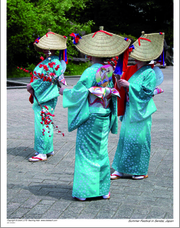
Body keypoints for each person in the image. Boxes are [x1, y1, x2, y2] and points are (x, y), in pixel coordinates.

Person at [59, 26, 131, 200]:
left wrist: (64, 91)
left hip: (90, 114)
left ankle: (85, 191)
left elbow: (79, 92)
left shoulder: (90, 71)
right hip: (104, 114)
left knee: (85, 152)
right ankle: (103, 190)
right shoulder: (110, 70)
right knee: (100, 151)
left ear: (89, 54)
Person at [111, 31, 165, 180]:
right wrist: (118, 80)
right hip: (130, 110)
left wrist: (130, 86)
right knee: (125, 139)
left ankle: (139, 169)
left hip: (142, 112)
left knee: (140, 140)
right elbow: (121, 85)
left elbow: (147, 93)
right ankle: (120, 169)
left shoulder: (150, 73)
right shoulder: (132, 69)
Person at [27, 30, 67, 162]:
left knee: (42, 123)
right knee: (46, 122)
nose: (45, 50)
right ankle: (48, 148)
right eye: (44, 47)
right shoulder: (56, 62)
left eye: (48, 48)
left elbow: (45, 80)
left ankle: (42, 152)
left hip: (45, 96)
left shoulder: (53, 63)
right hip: (48, 95)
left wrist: (32, 86)